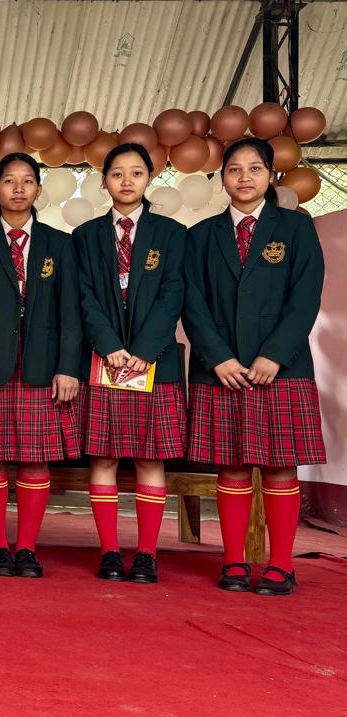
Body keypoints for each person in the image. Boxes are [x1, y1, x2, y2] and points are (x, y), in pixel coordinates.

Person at [181, 137, 325, 596]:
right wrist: (218, 357)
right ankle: (234, 562)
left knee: (281, 467)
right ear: (222, 178)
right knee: (231, 467)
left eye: (255, 168)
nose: (244, 177)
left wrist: (275, 354)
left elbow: (306, 297)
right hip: (220, 369)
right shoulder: (200, 235)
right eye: (234, 169)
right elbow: (192, 304)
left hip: (282, 368)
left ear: (271, 176)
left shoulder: (296, 228)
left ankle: (281, 565)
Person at [0, 152, 84, 579]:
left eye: (27, 180)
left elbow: (72, 313)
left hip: (42, 368)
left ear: (38, 190)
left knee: (35, 461)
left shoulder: (60, 244)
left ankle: (27, 548)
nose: (18, 188)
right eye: (9, 180)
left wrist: (68, 367)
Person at [74, 143, 186, 584]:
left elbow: (173, 294)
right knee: (103, 457)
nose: (126, 181)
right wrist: (109, 345)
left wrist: (143, 349)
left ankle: (146, 554)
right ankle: (108, 551)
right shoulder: (85, 236)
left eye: (136, 172)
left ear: (149, 178)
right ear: (104, 180)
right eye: (117, 173)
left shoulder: (172, 234)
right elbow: (84, 296)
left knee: (149, 459)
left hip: (154, 361)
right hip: (102, 360)